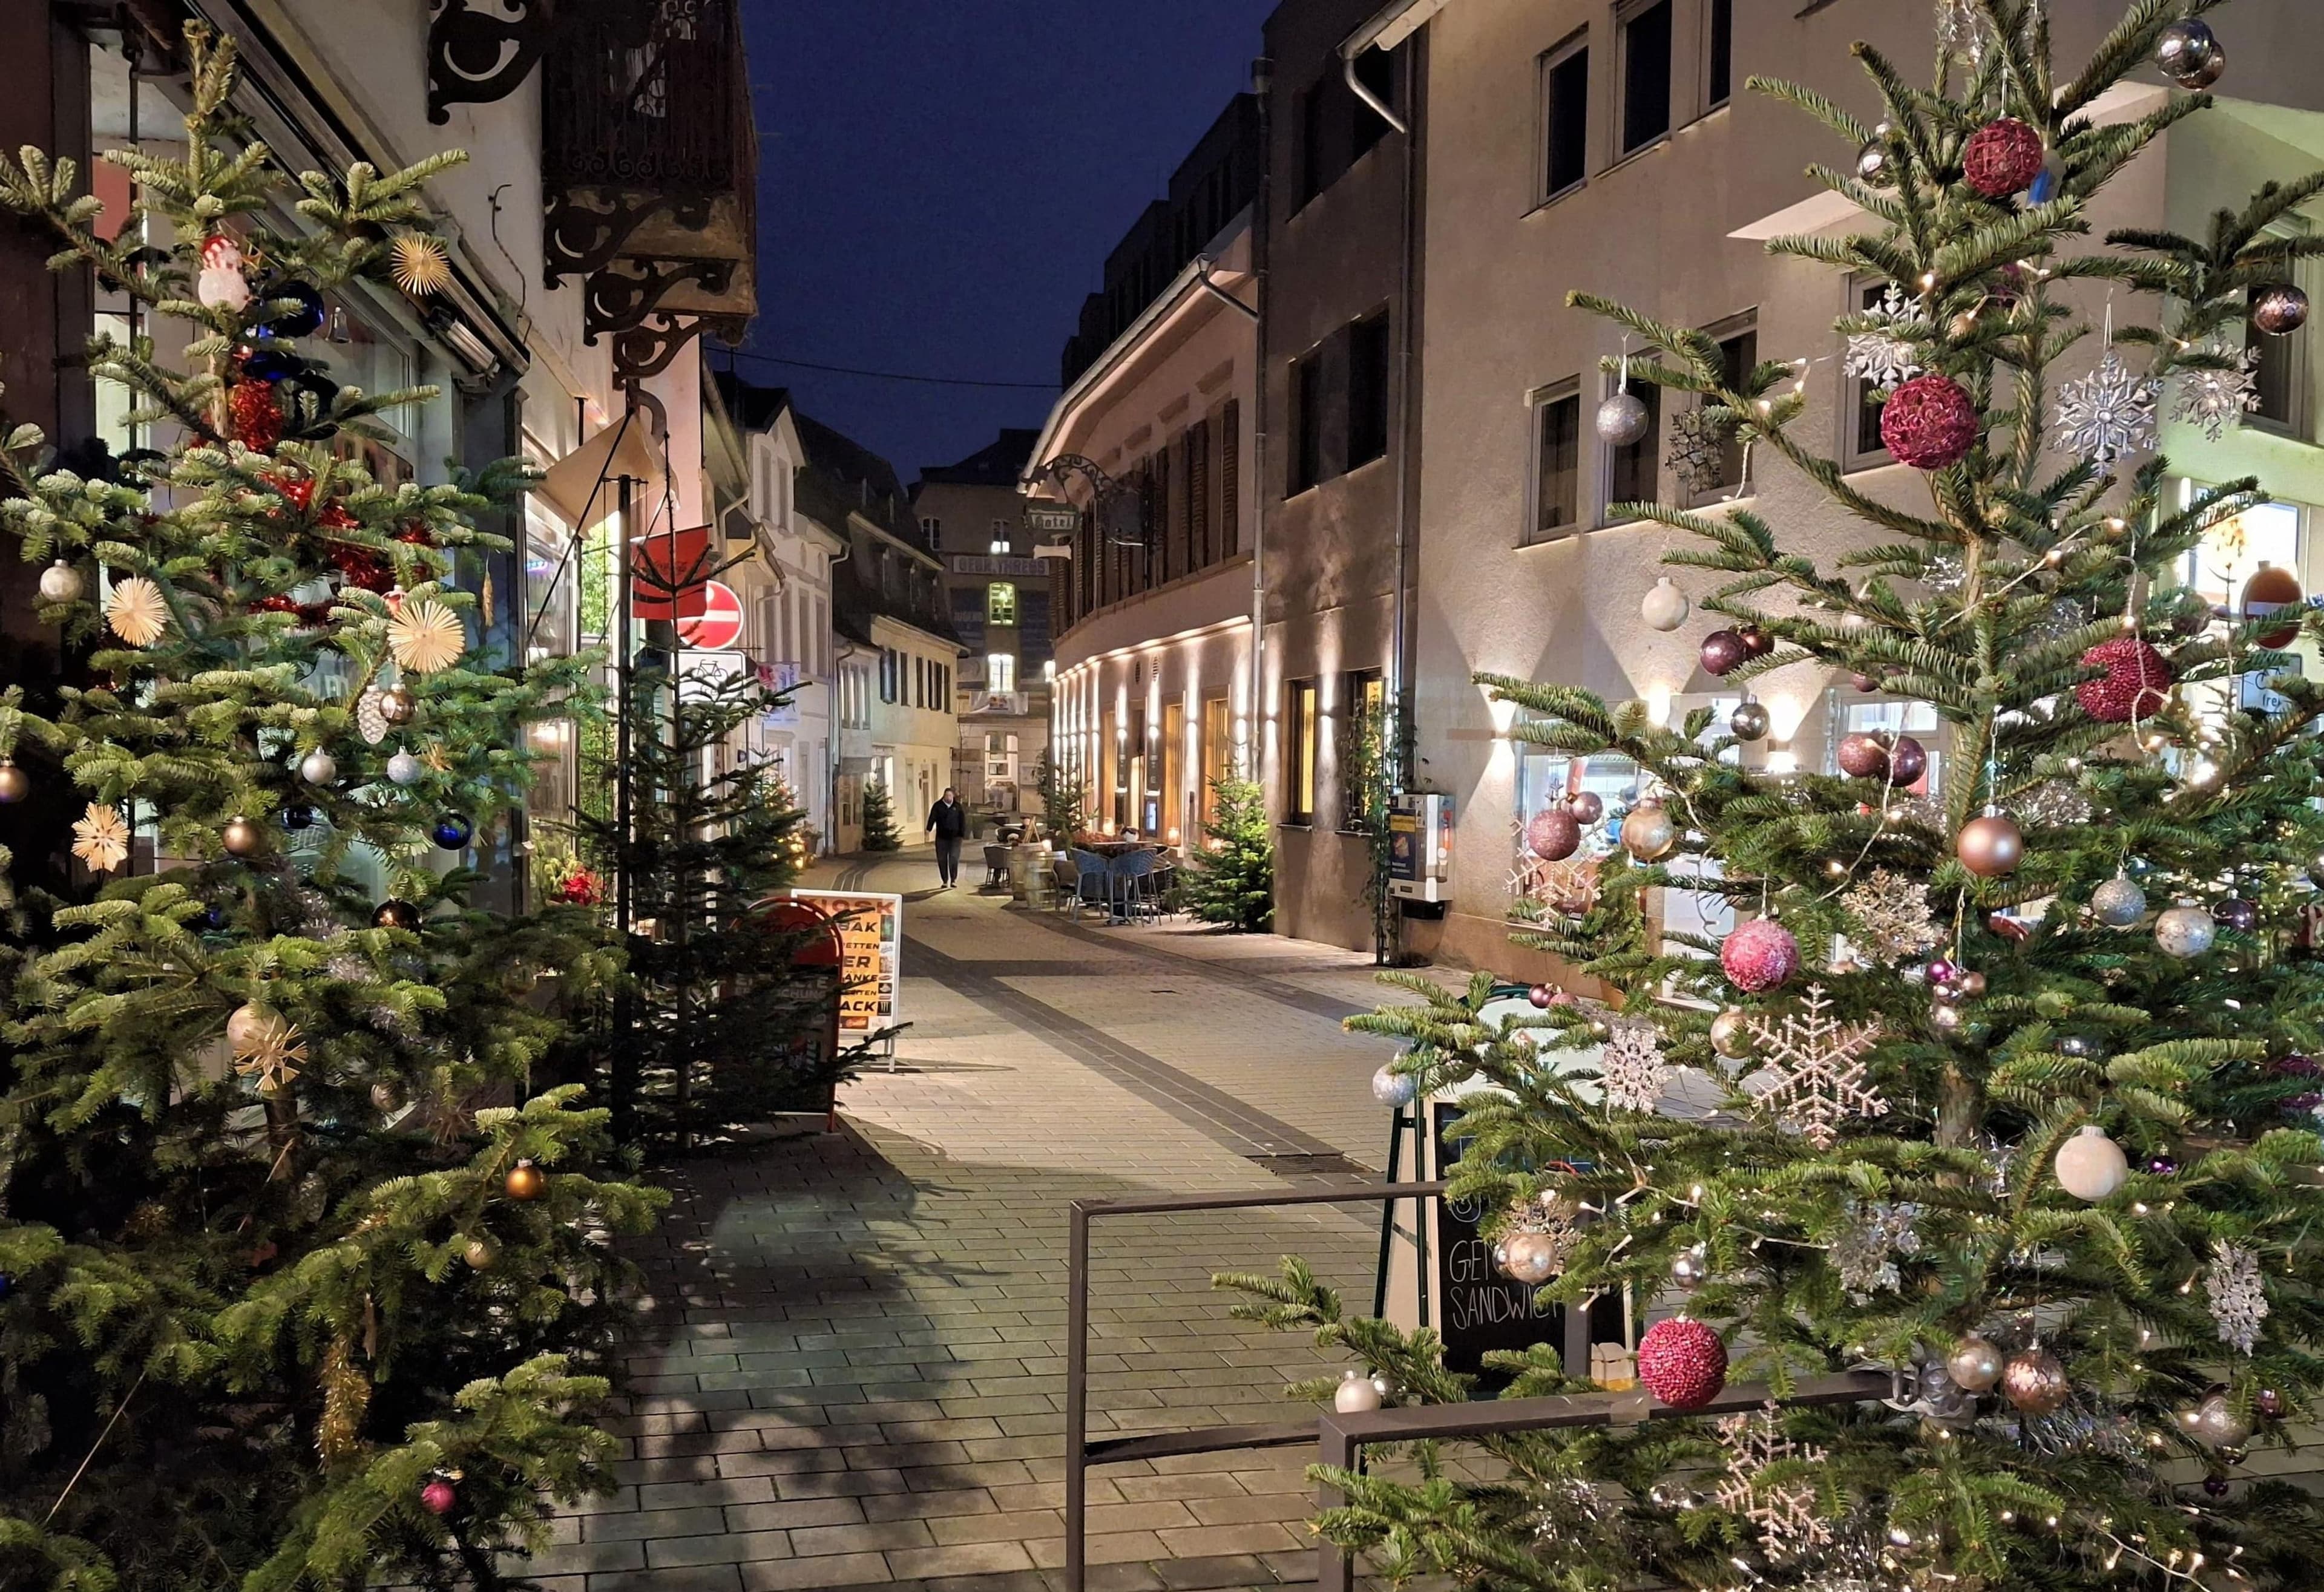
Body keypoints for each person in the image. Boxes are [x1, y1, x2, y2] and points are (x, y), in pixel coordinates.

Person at [925, 787, 967, 889]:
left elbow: (962, 821)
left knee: (954, 858)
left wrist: (962, 834)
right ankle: (945, 880)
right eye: (947, 796)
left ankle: (953, 880)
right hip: (942, 837)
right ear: (944, 796)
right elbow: (932, 818)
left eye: (950, 796)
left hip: (955, 837)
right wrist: (928, 830)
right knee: (942, 859)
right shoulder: (938, 806)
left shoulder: (957, 807)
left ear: (953, 796)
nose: (949, 798)